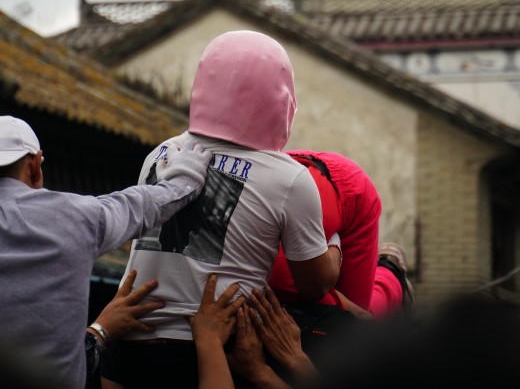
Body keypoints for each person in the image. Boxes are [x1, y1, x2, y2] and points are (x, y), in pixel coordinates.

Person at [100, 30, 342, 389]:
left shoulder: (162, 153)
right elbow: (314, 284)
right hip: (212, 347)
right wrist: (335, 244)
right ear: (283, 98)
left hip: (128, 340)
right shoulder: (290, 178)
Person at [0, 114, 212, 389]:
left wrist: (99, 332)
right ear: (34, 167)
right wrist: (184, 180)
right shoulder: (72, 218)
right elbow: (140, 205)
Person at [267, 151, 413, 367]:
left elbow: (350, 309)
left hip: (348, 190)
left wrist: (335, 248)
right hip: (290, 166)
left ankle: (391, 271)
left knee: (353, 320)